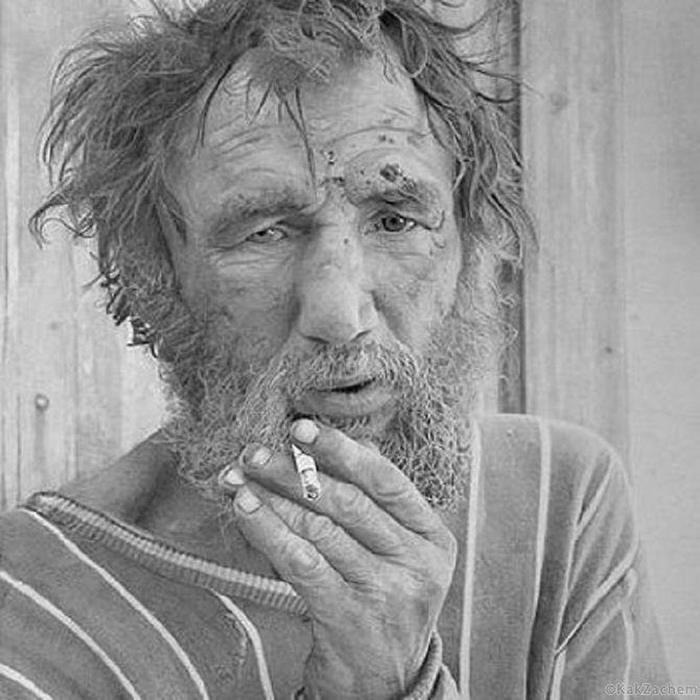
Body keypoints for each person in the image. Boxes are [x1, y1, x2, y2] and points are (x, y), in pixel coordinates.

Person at [0, 1, 673, 698]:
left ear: (473, 249)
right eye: (265, 232)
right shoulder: (31, 607)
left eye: (395, 218)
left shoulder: (556, 504)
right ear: (154, 277)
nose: (340, 314)